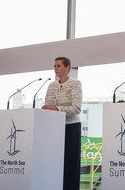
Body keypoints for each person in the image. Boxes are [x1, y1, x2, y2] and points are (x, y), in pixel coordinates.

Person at [41, 56, 82, 190]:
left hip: (71, 127)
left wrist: (57, 109)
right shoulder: (51, 86)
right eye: (54, 66)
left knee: (69, 163)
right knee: (55, 163)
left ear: (67, 68)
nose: (55, 68)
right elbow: (48, 106)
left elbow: (77, 108)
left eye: (58, 66)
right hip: (54, 129)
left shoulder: (75, 83)